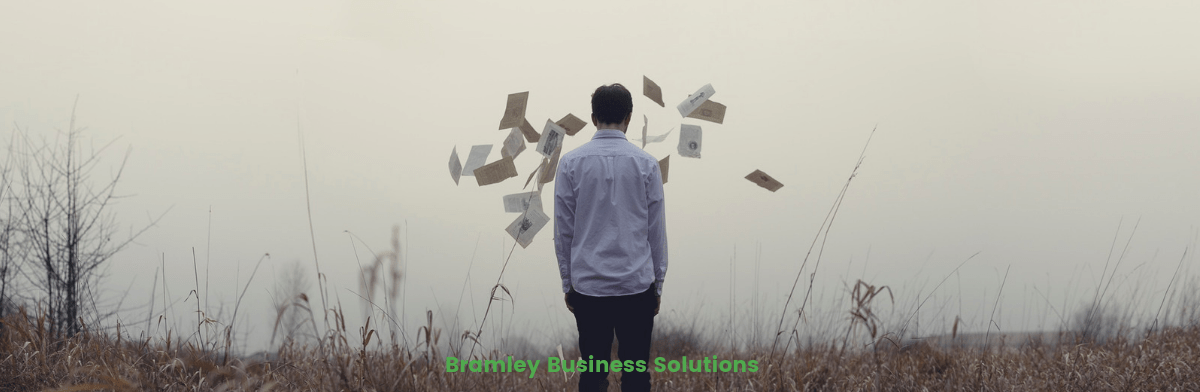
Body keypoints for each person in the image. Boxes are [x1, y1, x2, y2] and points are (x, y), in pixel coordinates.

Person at [554, 83, 668, 392]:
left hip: (589, 287)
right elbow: (656, 230)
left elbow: (563, 232)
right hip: (636, 286)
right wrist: (657, 284)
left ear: (593, 118)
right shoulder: (646, 164)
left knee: (592, 376)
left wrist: (568, 283)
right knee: (636, 376)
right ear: (629, 118)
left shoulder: (570, 164)